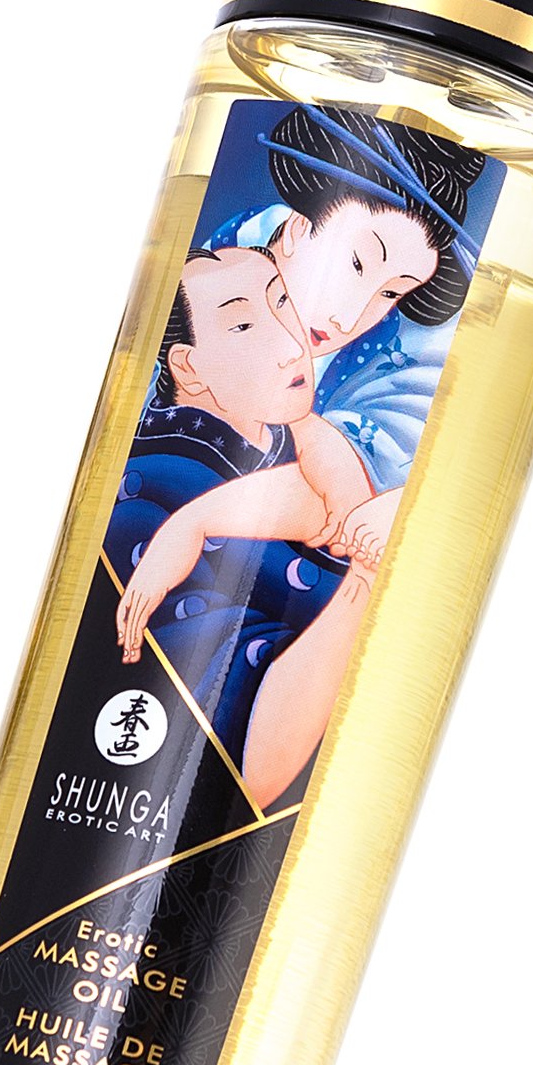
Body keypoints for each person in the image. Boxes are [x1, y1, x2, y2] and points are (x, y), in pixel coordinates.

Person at [106, 244, 396, 807]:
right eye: (242, 325)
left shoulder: (292, 449)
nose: (291, 344)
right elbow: (245, 772)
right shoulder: (144, 499)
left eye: (283, 302)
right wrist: (367, 570)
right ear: (188, 366)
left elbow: (321, 506)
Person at [211, 102, 492, 488]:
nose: (347, 320)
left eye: (391, 292)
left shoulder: (397, 354)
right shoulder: (239, 244)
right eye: (357, 263)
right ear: (297, 227)